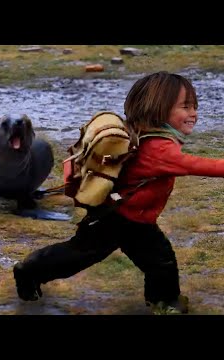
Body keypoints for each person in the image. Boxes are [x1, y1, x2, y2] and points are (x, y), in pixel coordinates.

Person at [13, 71, 224, 315]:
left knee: (159, 259)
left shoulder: (145, 134)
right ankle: (29, 271)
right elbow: (198, 165)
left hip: (134, 218)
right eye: (185, 107)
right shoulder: (160, 147)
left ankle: (165, 301)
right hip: (116, 218)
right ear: (159, 108)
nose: (193, 113)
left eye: (195, 106)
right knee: (79, 255)